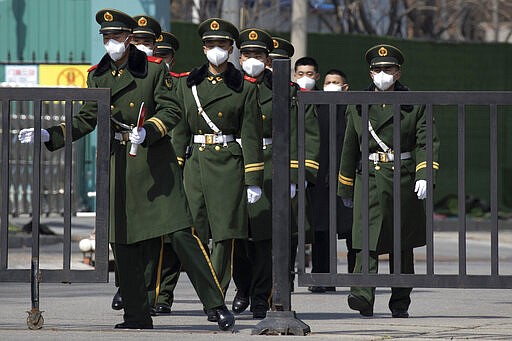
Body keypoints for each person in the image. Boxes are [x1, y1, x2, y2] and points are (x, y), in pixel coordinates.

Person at [18, 8, 234, 331]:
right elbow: (86, 119)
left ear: (130, 39)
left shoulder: (154, 70)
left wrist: (150, 130)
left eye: (116, 37)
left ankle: (216, 305)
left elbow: (171, 109)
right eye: (106, 37)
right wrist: (51, 134)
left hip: (155, 164)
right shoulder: (98, 75)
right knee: (123, 241)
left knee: (180, 234)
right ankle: (137, 314)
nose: (111, 43)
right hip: (120, 163)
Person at [337, 44, 440, 318]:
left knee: (401, 244)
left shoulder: (414, 103)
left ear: (398, 72)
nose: (383, 73)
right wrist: (345, 185)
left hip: (402, 177)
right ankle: (362, 296)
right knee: (364, 240)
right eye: (378, 69)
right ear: (370, 73)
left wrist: (424, 174)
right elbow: (350, 145)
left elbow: (426, 142)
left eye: (389, 69)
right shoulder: (358, 103)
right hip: (368, 176)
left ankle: (400, 302)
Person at [171, 18, 264, 321]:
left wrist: (253, 179)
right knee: (192, 232)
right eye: (210, 45)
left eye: (222, 45)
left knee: (225, 234)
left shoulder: (244, 87)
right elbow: (180, 131)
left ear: (231, 48)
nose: (216, 50)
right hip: (196, 162)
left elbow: (250, 135)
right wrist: (176, 167)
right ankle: (207, 292)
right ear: (203, 48)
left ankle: (216, 298)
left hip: (227, 162)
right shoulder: (188, 83)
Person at [109, 12, 162, 314]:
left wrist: (149, 131)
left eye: (147, 41)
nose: (141, 46)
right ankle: (126, 287)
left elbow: (172, 115)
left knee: (151, 233)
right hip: (122, 156)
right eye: (137, 40)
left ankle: (150, 294)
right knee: (122, 228)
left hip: (152, 156)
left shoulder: (158, 72)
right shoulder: (104, 72)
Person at [308, 69, 356, 294]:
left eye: (336, 82)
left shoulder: (354, 108)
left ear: (345, 87)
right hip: (320, 178)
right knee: (321, 230)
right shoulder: (317, 108)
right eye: (328, 82)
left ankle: (357, 278)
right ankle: (322, 277)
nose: (331, 86)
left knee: (352, 230)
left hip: (348, 177)